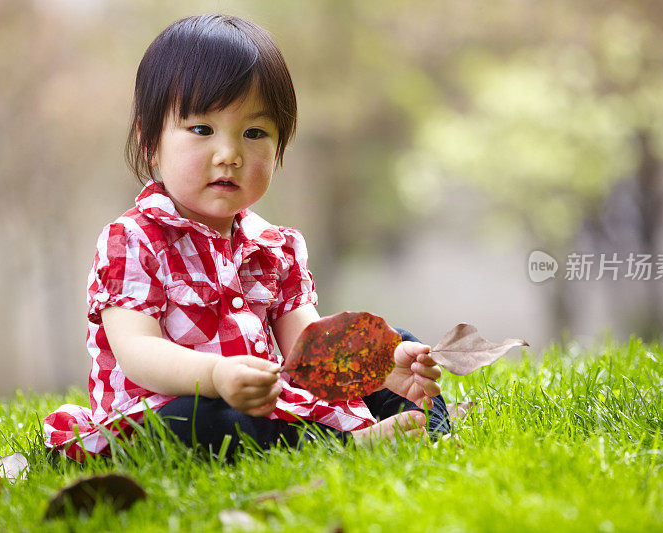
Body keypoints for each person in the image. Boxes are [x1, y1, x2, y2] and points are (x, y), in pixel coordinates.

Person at [43, 14, 450, 461]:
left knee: (393, 346)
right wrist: (215, 376)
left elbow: (308, 347)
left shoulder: (275, 247)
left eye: (254, 133)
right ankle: (347, 446)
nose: (229, 154)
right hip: (171, 411)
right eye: (202, 130)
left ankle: (429, 431)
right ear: (150, 143)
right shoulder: (134, 241)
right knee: (205, 421)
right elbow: (137, 352)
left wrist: (372, 368)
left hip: (263, 403)